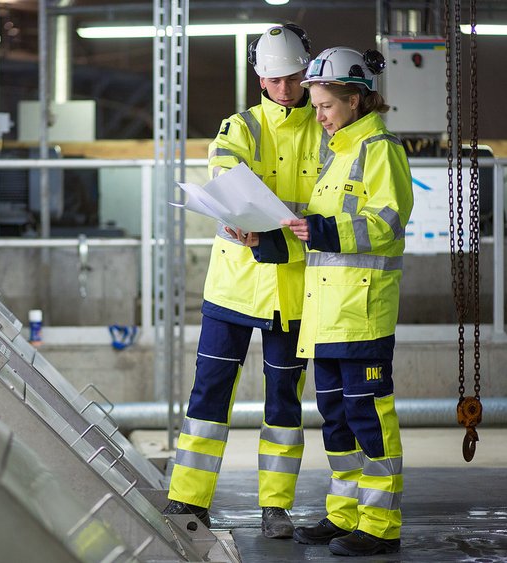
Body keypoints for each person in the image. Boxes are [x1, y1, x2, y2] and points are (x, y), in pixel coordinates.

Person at [162, 24, 326, 539]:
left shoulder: (327, 131)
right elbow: (225, 173)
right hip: (234, 286)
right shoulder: (240, 128)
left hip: (293, 287)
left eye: (293, 78)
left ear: (306, 73)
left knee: (284, 402)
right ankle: (187, 500)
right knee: (209, 395)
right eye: (275, 79)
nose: (284, 88)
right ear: (260, 77)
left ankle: (275, 508)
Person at [256, 46, 412, 556]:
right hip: (326, 319)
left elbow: (386, 224)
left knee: (369, 419)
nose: (316, 114)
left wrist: (321, 229)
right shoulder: (337, 151)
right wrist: (269, 240)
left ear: (356, 99)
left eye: (325, 105)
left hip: (362, 317)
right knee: (337, 420)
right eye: (317, 104)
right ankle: (344, 514)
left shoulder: (379, 150)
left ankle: (379, 524)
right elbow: (315, 236)